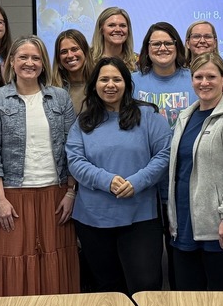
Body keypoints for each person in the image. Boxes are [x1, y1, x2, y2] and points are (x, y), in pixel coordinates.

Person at [0, 35, 80, 296]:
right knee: (13, 264)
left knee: (55, 264)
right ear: (11, 61)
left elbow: (74, 149)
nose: (29, 62)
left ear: (43, 64)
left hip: (55, 194)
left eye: (36, 58)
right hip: (12, 196)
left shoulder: (60, 97)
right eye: (23, 57)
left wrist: (71, 192)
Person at [66, 57, 171, 294]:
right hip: (93, 220)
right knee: (107, 289)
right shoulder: (83, 122)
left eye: (117, 79)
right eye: (104, 79)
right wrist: (107, 181)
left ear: (127, 83)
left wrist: (137, 181)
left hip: (140, 217)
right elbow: (75, 160)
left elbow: (164, 155)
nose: (110, 85)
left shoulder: (149, 117)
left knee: (145, 286)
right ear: (94, 85)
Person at [167, 53, 223, 291]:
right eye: (198, 77)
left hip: (220, 229)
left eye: (211, 76)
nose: (204, 82)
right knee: (188, 299)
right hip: (187, 224)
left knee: (220, 304)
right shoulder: (186, 116)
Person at [134, 22, 194, 127]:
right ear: (147, 49)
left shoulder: (195, 79)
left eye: (168, 43)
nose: (162, 48)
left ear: (177, 47)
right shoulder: (132, 81)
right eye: (156, 44)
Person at [184, 20, 223, 97]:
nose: (202, 41)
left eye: (207, 36)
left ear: (215, 43)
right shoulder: (178, 75)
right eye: (196, 36)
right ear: (187, 43)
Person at [51, 30, 92, 114]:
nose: (70, 55)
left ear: (85, 52)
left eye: (74, 49)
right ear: (58, 59)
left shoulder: (99, 85)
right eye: (64, 52)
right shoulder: (52, 90)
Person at [89, 6, 137, 71]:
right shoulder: (87, 58)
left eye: (122, 26)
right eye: (111, 25)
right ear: (101, 30)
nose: (118, 29)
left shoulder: (137, 61)